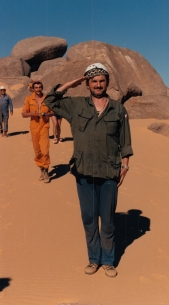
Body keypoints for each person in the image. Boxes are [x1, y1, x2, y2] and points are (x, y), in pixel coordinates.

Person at [44, 63, 133, 277]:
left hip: (110, 172)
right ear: (88, 84)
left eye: (102, 80)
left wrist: (126, 165)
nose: (98, 84)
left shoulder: (118, 109)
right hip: (84, 172)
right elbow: (50, 100)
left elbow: (126, 141)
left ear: (107, 83)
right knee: (89, 219)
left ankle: (109, 261)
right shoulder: (76, 106)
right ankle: (94, 259)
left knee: (108, 220)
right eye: (93, 81)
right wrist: (71, 83)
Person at [21, 81, 53, 183]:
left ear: (42, 88)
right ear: (33, 89)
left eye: (40, 87)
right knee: (37, 151)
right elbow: (23, 114)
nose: (38, 89)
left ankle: (46, 171)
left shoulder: (47, 98)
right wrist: (31, 113)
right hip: (34, 128)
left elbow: (53, 111)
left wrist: (47, 114)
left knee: (45, 150)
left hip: (44, 126)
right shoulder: (29, 99)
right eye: (36, 87)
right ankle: (41, 170)